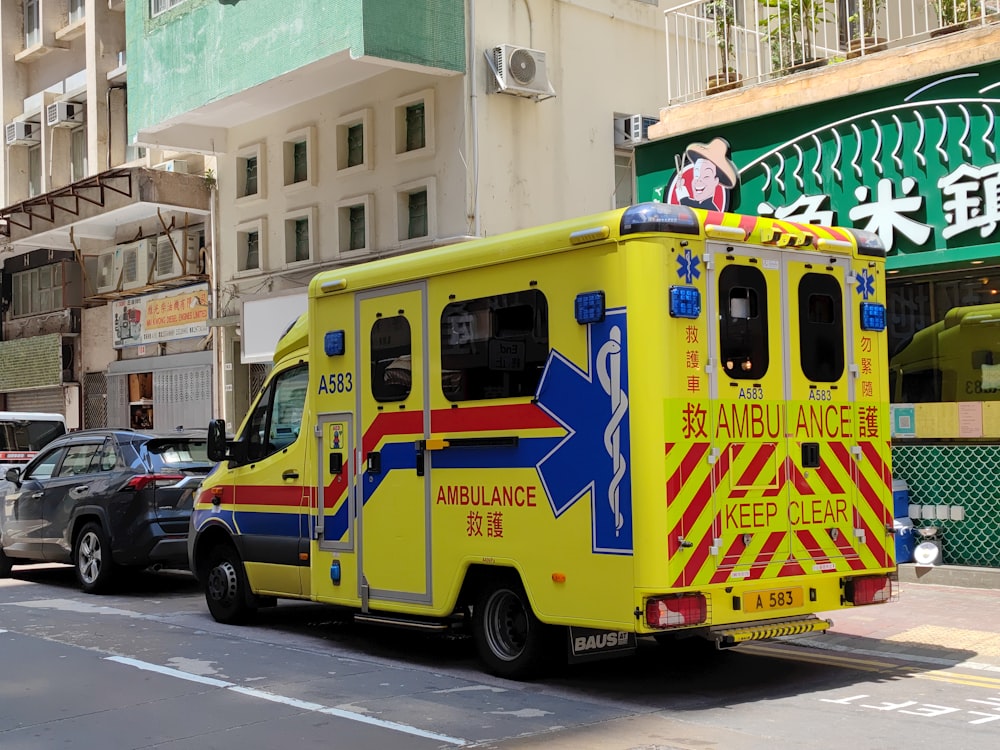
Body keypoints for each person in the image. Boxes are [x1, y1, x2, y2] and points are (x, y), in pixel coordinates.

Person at [674, 137, 738, 211]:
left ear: (716, 181)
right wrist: (680, 187)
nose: (699, 180)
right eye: (696, 175)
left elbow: (687, 204)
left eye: (706, 176)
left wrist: (680, 189)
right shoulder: (695, 205)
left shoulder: (712, 211)